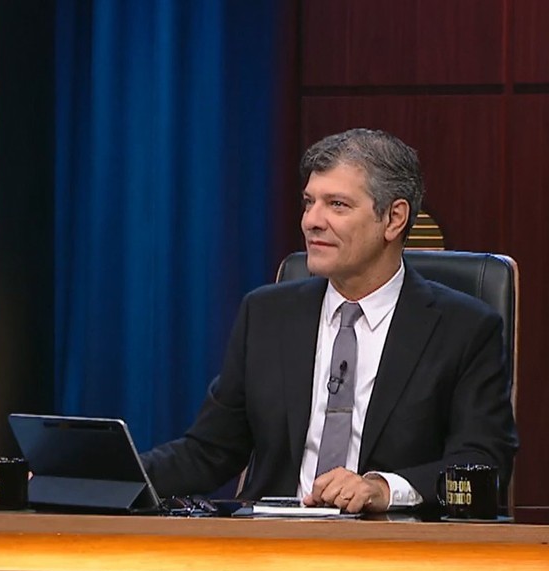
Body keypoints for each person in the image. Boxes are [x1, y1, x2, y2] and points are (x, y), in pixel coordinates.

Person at [139, 129, 518, 514]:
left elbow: (483, 462)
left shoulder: (464, 329)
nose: (311, 221)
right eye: (309, 202)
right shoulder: (266, 314)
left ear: (394, 218)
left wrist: (382, 488)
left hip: (392, 541)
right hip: (270, 539)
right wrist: (118, 476)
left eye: (337, 204)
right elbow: (209, 452)